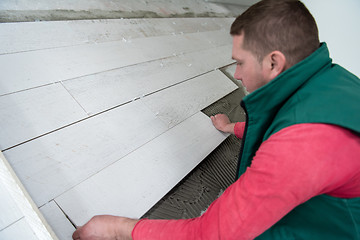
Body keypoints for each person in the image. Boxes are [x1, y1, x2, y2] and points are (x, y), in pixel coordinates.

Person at [72, 0, 360, 239]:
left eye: (240, 62)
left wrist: (116, 228)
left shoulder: (304, 145)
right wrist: (230, 127)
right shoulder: (330, 82)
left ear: (274, 62)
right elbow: (285, 123)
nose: (236, 74)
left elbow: (214, 235)